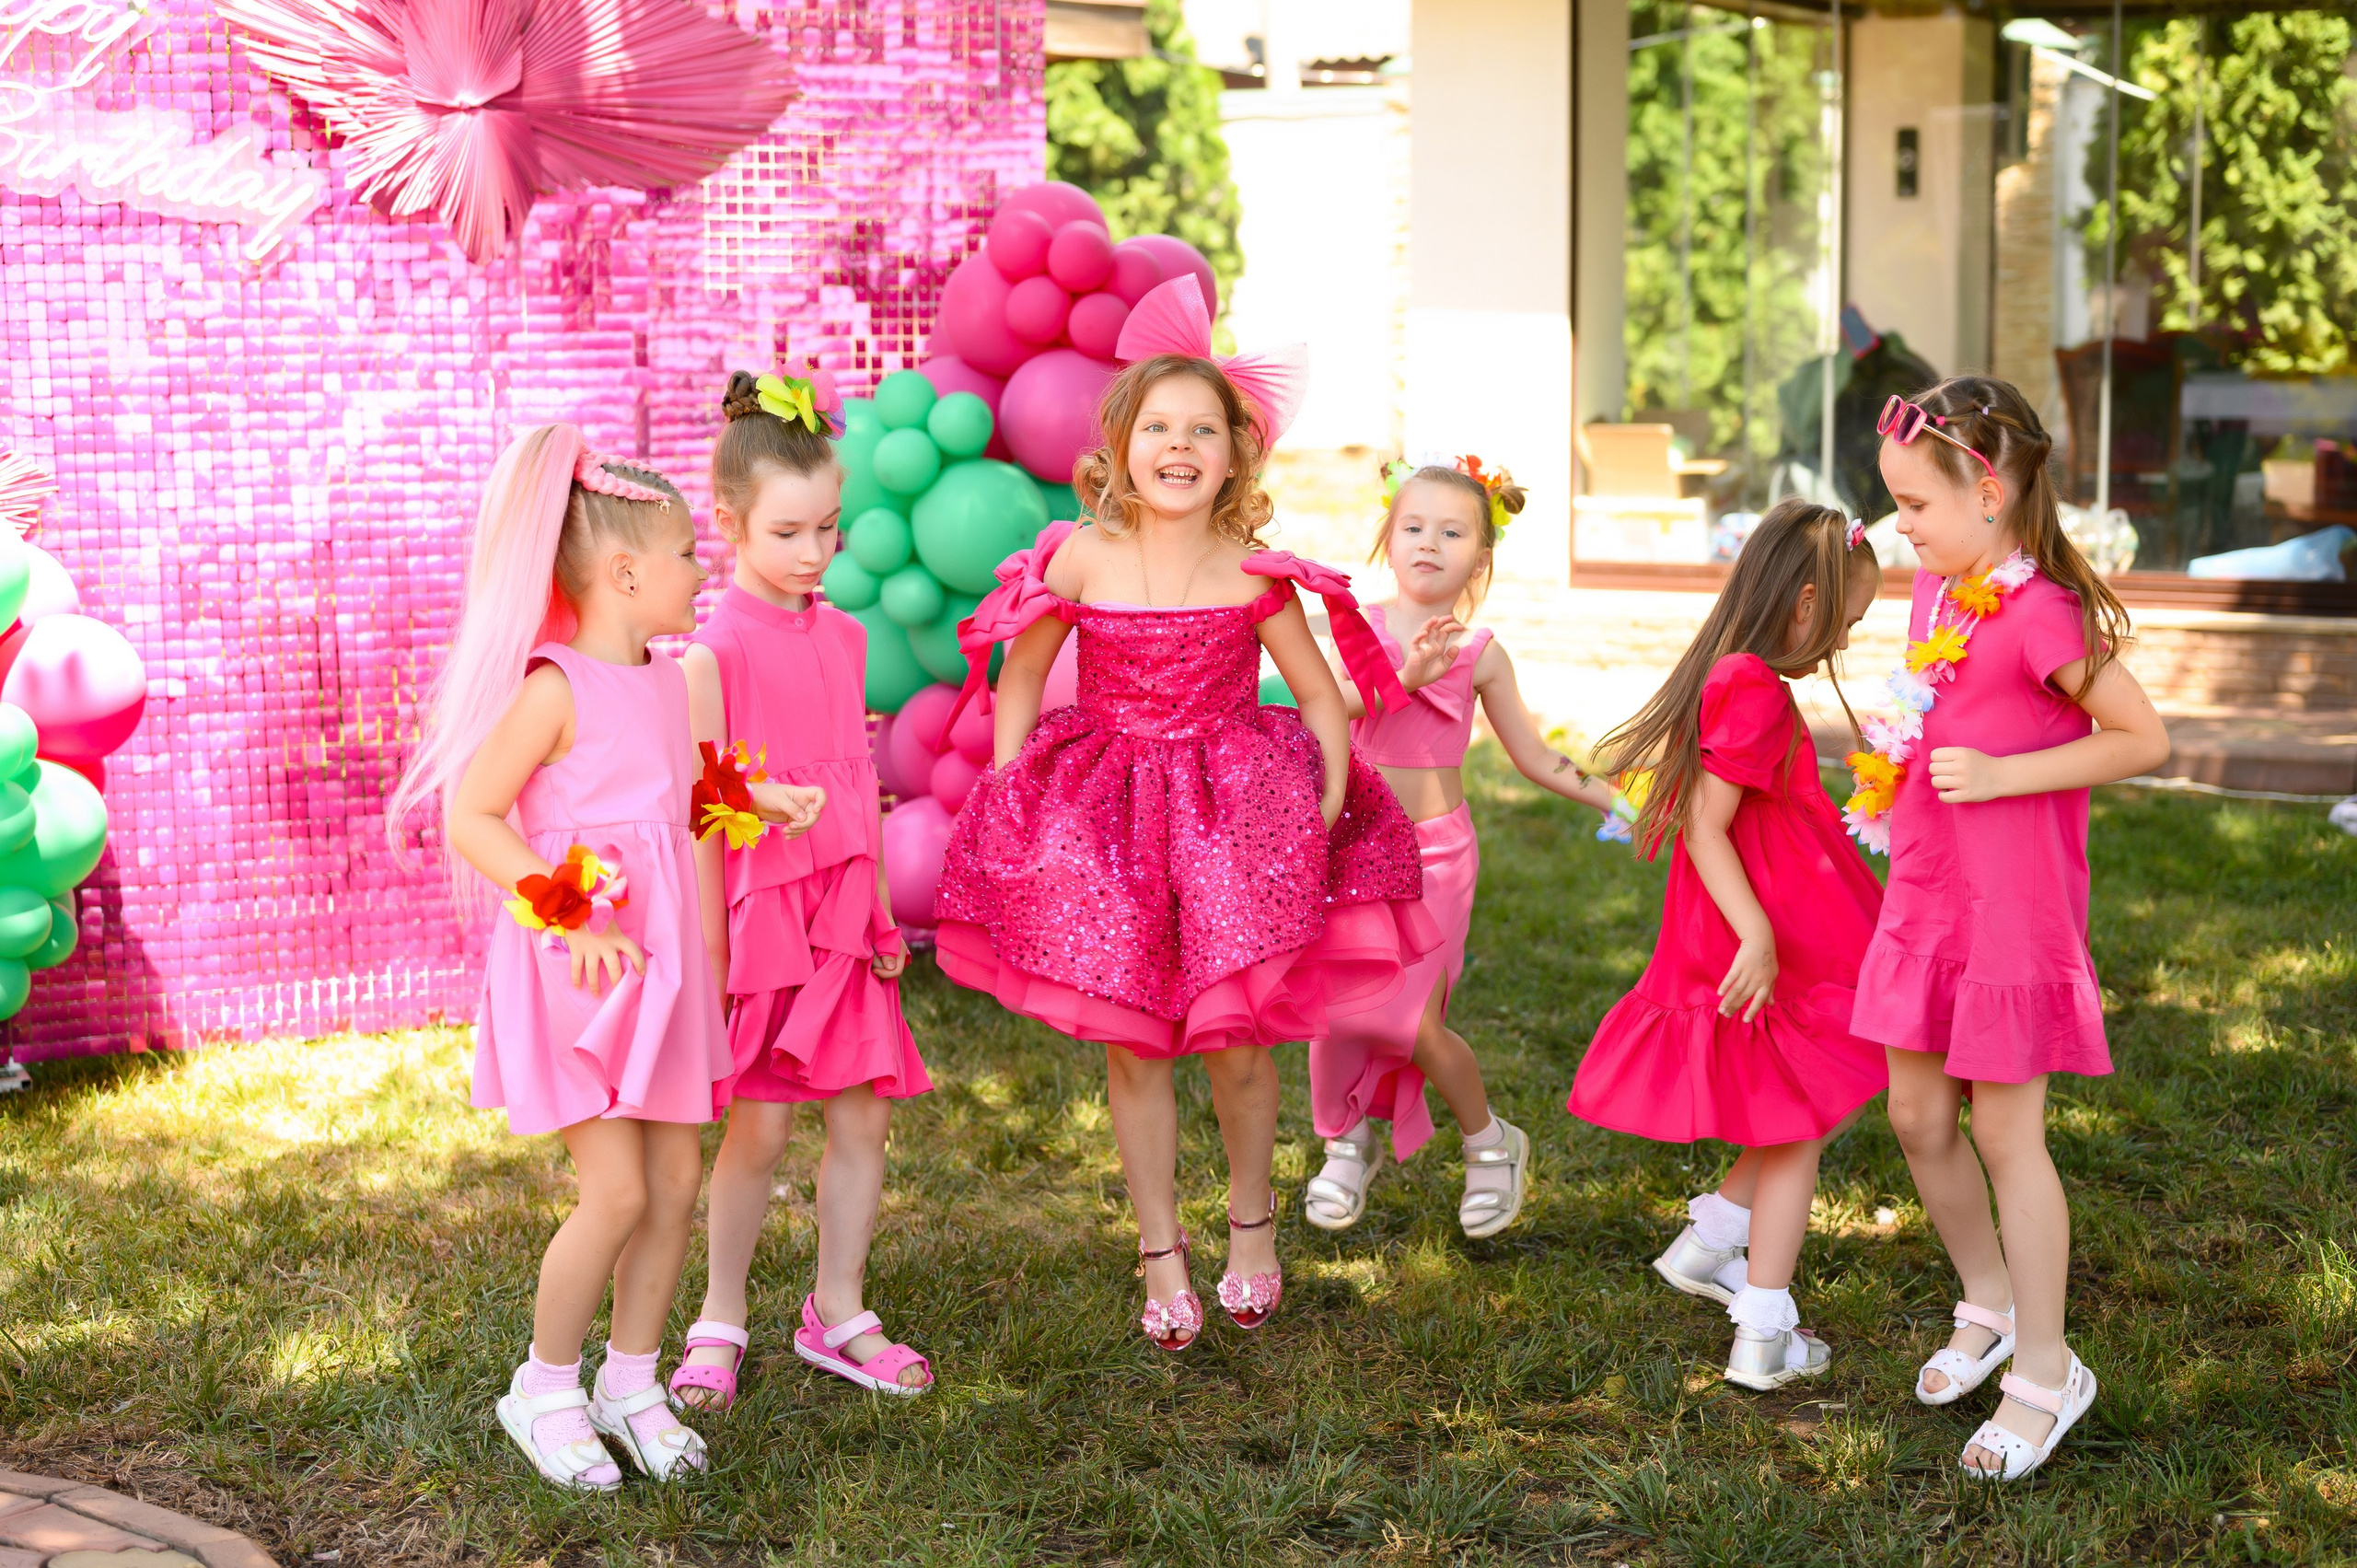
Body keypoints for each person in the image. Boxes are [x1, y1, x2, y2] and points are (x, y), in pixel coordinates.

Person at [933, 276, 1436, 1350]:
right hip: (1108, 807)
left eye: (1202, 429)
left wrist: (1333, 779)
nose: (1177, 444)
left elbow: (1308, 688)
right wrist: (1018, 773)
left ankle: (1250, 1222)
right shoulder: (1077, 555)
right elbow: (1023, 672)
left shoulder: (1253, 572)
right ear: (1116, 446)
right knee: (1136, 1042)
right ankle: (1159, 1245)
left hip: (1229, 815)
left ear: (1235, 458)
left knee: (1239, 1037)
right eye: (1156, 426)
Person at [386, 425, 804, 1489]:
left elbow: (679, 801)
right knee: (614, 1190)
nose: (699, 570)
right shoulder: (553, 686)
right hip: (583, 975)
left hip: (657, 970)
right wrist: (571, 918)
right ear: (625, 572)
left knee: (671, 1184)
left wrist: (756, 797)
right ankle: (545, 1383)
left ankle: (631, 1377)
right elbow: (474, 815)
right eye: (683, 556)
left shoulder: (669, 682)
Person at [1850, 377, 2169, 1481]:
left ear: (1987, 493)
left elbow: (2140, 737)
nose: (1902, 523)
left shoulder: (2037, 612)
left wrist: (2006, 771)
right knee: (1917, 1112)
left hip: (2014, 908)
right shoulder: (1936, 594)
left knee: (2003, 1132)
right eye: (1894, 503)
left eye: (1915, 504)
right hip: (1932, 890)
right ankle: (1984, 1294)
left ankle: (2045, 1365)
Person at [1567, 499, 1889, 1391]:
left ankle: (1708, 1245)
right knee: (1795, 1119)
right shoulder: (1748, 683)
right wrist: (1755, 933)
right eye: (1848, 621)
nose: (1847, 641)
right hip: (1763, 932)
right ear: (1806, 602)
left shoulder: (1740, 673)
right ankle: (1761, 1330)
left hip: (1782, 923)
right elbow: (1708, 825)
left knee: (1794, 1099)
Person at [670, 366, 935, 1408]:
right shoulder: (713, 648)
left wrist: (871, 905)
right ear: (729, 521)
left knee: (862, 1114)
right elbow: (696, 793)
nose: (815, 552)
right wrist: (715, 940)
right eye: (788, 532)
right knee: (761, 1124)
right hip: (759, 911)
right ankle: (719, 1314)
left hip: (840, 911)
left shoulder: (847, 634)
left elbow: (856, 778)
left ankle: (838, 1307)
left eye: (830, 526)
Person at [1303, 456, 1618, 1237]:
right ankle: (1347, 1141)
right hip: (1350, 848)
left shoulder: (1482, 652)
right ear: (1388, 535)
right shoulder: (1358, 628)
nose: (1429, 543)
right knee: (1336, 1010)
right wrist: (1403, 675)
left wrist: (1622, 799)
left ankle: (1490, 1142)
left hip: (1436, 858)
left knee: (1411, 1020)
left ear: (1481, 555)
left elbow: (1538, 758)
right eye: (1414, 526)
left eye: (1452, 531)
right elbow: (1329, 707)